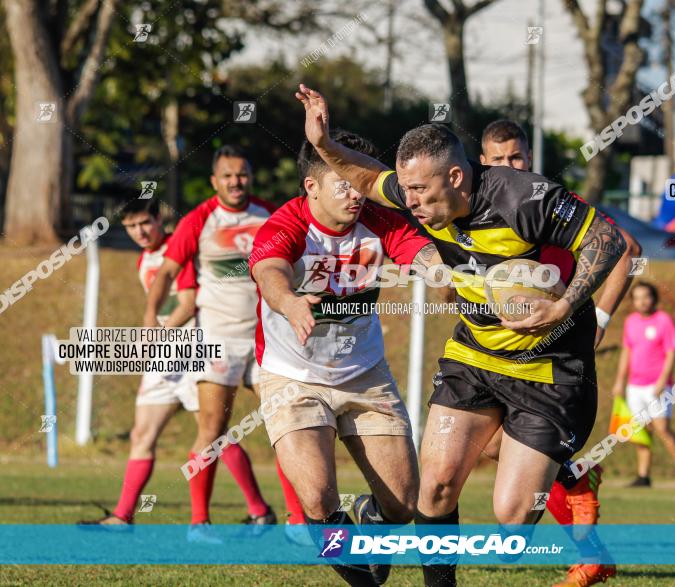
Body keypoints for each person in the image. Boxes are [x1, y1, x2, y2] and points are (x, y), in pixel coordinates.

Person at [297, 85, 626, 586]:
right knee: (437, 485)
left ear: (456, 177)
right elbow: (365, 175)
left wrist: (563, 303)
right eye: (405, 192)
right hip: (473, 359)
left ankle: (563, 474)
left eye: (420, 194)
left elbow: (608, 238)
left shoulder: (523, 199)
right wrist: (322, 144)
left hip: (549, 372)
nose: (409, 204)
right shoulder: (420, 193)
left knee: (511, 524)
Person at [251, 130, 439, 586]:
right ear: (311, 186)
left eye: (359, 182)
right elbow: (268, 269)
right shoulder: (286, 224)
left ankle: (371, 520)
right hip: (291, 375)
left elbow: (422, 251)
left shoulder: (380, 220)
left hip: (364, 374)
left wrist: (440, 271)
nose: (356, 194)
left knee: (402, 505)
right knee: (317, 498)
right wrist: (291, 302)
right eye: (342, 184)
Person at [480, 119, 641, 587]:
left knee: (528, 452)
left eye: (517, 158)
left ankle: (590, 553)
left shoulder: (545, 202)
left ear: (529, 158)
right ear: (483, 164)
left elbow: (625, 250)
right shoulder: (479, 211)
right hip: (500, 349)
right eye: (498, 160)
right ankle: (578, 487)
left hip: (555, 353)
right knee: (491, 443)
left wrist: (601, 318)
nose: (510, 167)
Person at [145, 145, 305, 541]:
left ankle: (299, 522)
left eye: (243, 174)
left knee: (287, 425)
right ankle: (199, 523)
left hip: (268, 338)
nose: (237, 182)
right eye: (229, 176)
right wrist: (152, 319)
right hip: (216, 339)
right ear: (215, 181)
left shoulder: (271, 214)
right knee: (213, 430)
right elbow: (167, 272)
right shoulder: (200, 218)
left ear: (251, 177)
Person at [77, 199, 269, 527]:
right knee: (142, 434)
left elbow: (188, 303)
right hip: (164, 356)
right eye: (131, 227)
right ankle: (123, 517)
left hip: (191, 350)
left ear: (159, 218)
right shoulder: (144, 258)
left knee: (216, 437)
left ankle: (258, 511)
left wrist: (156, 334)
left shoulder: (177, 251)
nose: (139, 232)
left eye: (145, 223)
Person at [611, 281, 675, 489]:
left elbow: (672, 351)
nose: (642, 301)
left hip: (657, 386)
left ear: (654, 298)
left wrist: (662, 381)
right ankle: (643, 476)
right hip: (634, 386)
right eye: (637, 298)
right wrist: (620, 381)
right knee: (641, 430)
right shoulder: (630, 322)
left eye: (646, 297)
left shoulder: (663, 321)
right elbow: (627, 352)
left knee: (662, 428)